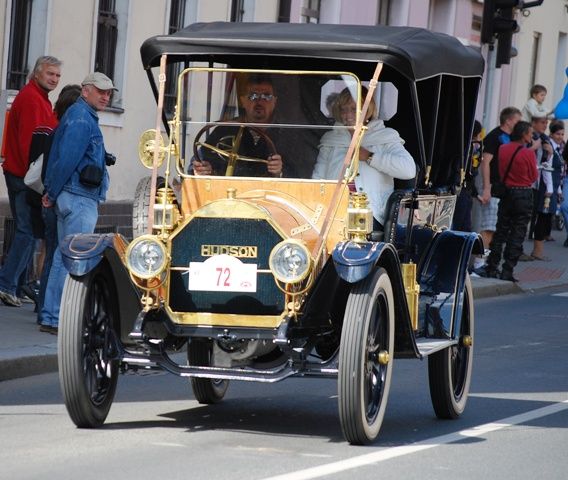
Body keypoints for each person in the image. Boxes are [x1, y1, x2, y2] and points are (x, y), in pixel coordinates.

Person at [38, 72, 116, 334]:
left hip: (71, 195)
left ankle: (51, 316)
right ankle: (61, 317)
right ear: (85, 91)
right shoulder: (82, 118)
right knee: (76, 260)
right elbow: (67, 159)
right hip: (79, 198)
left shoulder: (79, 115)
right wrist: (51, 192)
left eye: (109, 93)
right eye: (100, 91)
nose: (106, 96)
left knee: (62, 258)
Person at [0, 56, 62, 307]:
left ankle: (17, 284)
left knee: (29, 231)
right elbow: (31, 144)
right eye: (50, 74)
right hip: (23, 176)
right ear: (37, 74)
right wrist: (38, 178)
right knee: (27, 232)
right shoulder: (32, 99)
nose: (54, 79)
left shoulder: (37, 97)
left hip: (20, 174)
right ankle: (6, 285)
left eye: (57, 75)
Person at [312, 86, 415, 229]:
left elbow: (408, 170)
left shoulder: (385, 136)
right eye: (343, 109)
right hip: (334, 214)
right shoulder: (331, 139)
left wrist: (369, 156)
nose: (348, 115)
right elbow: (317, 180)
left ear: (367, 110)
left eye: (354, 109)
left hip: (373, 214)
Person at [27, 84, 82, 325]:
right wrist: (51, 194)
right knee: (58, 256)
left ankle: (45, 309)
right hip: (56, 198)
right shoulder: (65, 132)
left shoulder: (55, 131)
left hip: (51, 197)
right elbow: (59, 168)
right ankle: (48, 311)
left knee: (53, 254)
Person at [479, 121, 538, 282]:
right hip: (523, 194)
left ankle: (492, 267)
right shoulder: (528, 153)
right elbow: (533, 176)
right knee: (517, 233)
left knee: (501, 231)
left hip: (506, 193)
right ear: (524, 135)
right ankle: (507, 270)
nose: (531, 136)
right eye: (530, 133)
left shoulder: (503, 149)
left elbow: (499, 169)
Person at [192, 74, 283, 177]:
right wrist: (202, 169)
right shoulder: (225, 129)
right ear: (243, 101)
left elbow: (299, 174)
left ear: (274, 101)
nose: (259, 101)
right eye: (253, 96)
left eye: (266, 96)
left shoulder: (286, 135)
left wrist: (279, 171)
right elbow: (198, 160)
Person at [478, 107, 522, 257]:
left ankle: (490, 261)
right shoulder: (494, 136)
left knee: (498, 227)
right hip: (493, 187)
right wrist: (486, 188)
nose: (519, 124)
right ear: (508, 121)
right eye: (517, 120)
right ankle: (480, 262)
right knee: (489, 226)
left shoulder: (512, 138)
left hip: (504, 189)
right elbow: (485, 163)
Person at [454, 120, 483, 232]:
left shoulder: (465, 147)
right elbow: (470, 174)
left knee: (462, 225)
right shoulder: (469, 149)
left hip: (464, 190)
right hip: (463, 191)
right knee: (462, 226)